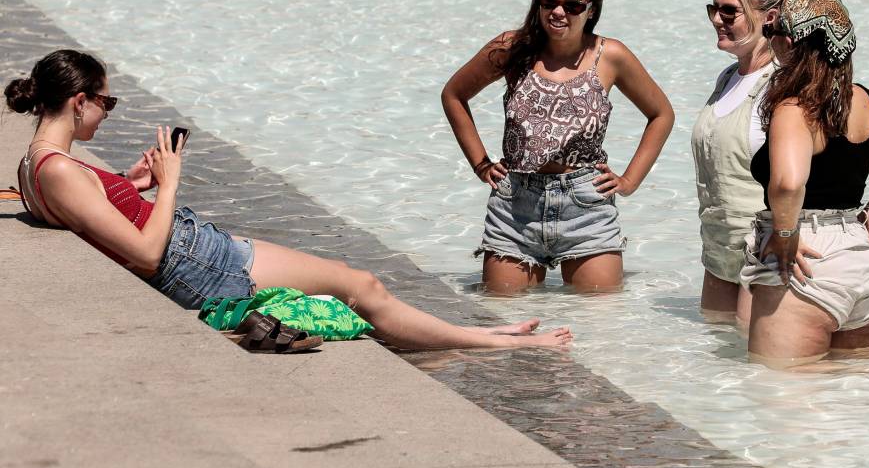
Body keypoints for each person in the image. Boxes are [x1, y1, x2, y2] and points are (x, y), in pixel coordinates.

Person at [6, 49, 573, 352]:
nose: (108, 111)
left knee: (354, 286)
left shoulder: (33, 163)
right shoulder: (61, 172)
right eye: (105, 100)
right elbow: (148, 254)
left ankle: (476, 334)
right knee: (362, 286)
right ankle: (488, 341)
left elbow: (91, 212)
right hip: (195, 263)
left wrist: (131, 185)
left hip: (196, 252)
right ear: (78, 101)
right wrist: (172, 180)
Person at [442, 0, 674, 294]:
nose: (558, 12)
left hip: (587, 207)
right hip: (515, 206)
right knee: (502, 319)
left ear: (591, 9)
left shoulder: (610, 56)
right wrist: (480, 164)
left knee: (599, 324)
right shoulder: (512, 47)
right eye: (549, 0)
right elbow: (454, 95)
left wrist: (629, 181)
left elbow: (661, 114)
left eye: (572, 5)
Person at [739, 0, 869, 368]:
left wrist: (783, 233)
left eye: (772, 30)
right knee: (846, 403)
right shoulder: (868, 102)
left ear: (789, 42)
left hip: (807, 262)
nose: (768, 37)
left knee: (780, 403)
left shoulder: (795, 108)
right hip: (860, 259)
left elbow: (788, 184)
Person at [691, 0, 795, 321]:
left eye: (729, 11)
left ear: (769, 17)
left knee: (764, 372)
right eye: (714, 9)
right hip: (718, 250)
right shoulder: (726, 78)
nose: (717, 19)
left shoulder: (784, 83)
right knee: (718, 360)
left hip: (765, 256)